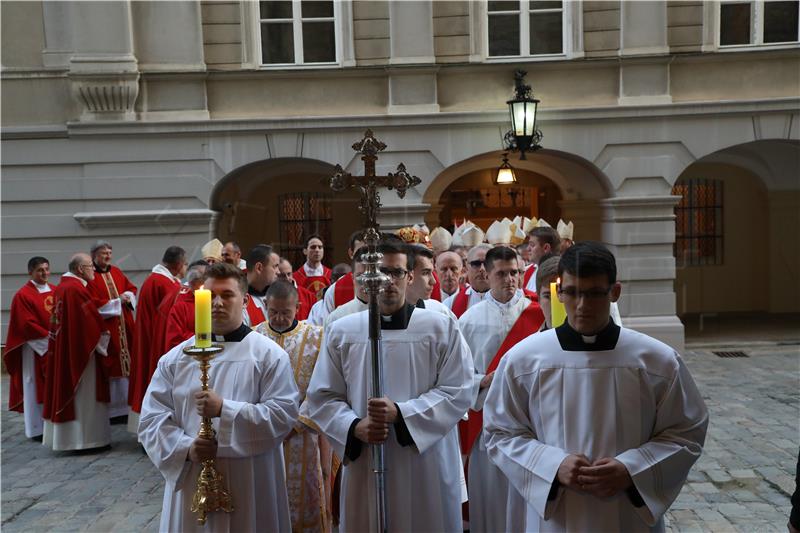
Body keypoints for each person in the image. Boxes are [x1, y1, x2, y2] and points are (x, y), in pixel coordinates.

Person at [483, 242, 709, 532]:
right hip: (558, 517)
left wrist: (632, 469)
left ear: (615, 292)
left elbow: (687, 432)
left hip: (627, 514)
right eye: (572, 292)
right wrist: (552, 466)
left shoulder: (656, 360)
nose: (581, 305)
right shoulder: (523, 360)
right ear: (559, 291)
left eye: (593, 294)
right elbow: (500, 432)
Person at [305, 240, 474, 532]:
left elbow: (458, 390)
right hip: (366, 458)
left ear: (410, 276)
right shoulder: (342, 331)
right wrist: (353, 427)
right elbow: (322, 396)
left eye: (396, 272)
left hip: (426, 462)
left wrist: (403, 413)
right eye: (380, 272)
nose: (387, 281)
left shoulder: (441, 327)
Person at [140, 262, 300, 532]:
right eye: (210, 296)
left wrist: (225, 410)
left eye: (227, 295)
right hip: (193, 474)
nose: (217, 303)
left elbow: (282, 415)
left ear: (245, 300)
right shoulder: (175, 360)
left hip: (249, 478)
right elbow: (152, 420)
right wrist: (185, 448)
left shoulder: (268, 356)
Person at [457, 246, 544, 533]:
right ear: (487, 274)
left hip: (533, 419)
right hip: (489, 421)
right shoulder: (469, 320)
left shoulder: (539, 314)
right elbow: (456, 375)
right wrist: (481, 382)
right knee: (492, 497)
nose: (510, 280)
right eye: (502, 274)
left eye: (515, 273)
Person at [254, 281, 332, 533]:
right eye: (273, 311)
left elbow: (322, 388)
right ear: (266, 305)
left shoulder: (316, 337)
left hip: (302, 437)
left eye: (285, 313)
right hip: (263, 434)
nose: (278, 318)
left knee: (305, 497)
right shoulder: (254, 337)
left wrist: (293, 424)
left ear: (297, 307)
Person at [42, 253, 112, 451]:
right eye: (91, 266)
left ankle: (71, 440)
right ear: (80, 269)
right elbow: (89, 324)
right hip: (82, 354)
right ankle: (85, 440)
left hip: (68, 349)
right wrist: (104, 335)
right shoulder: (75, 290)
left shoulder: (64, 287)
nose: (94, 270)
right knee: (84, 395)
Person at [128, 246, 186, 433]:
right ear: (178, 265)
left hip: (148, 340)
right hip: (156, 343)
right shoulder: (165, 284)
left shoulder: (155, 279)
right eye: (184, 264)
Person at [4, 256, 55, 439]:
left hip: (52, 345)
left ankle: (52, 424)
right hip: (34, 348)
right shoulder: (23, 295)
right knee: (34, 386)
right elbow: (25, 323)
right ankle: (36, 429)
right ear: (31, 272)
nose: (44, 273)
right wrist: (49, 339)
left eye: (47, 269)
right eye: (40, 270)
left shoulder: (55, 290)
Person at [86, 240, 137, 420]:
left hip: (124, 325)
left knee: (127, 365)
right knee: (112, 365)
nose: (107, 256)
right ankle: (113, 411)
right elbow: (92, 304)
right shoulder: (90, 277)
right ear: (94, 256)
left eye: (109, 252)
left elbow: (131, 288)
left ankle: (126, 408)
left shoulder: (116, 271)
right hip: (107, 328)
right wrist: (117, 302)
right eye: (103, 253)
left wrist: (127, 296)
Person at [307, 231, 366, 325]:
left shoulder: (390, 284)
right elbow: (326, 329)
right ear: (351, 253)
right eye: (362, 252)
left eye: (373, 252)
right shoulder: (334, 291)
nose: (368, 258)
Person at [164, 261, 209, 351]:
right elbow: (175, 339)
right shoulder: (180, 305)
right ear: (193, 282)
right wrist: (206, 339)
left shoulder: (217, 300)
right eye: (206, 277)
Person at [404, 244, 455, 317]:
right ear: (408, 275)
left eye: (432, 272)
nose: (433, 281)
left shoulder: (440, 312)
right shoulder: (384, 313)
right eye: (425, 273)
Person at [443, 243, 492, 318]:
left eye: (487, 263)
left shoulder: (508, 302)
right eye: (476, 264)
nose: (482, 269)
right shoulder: (450, 304)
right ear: (466, 267)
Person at [244, 245, 278, 327]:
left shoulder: (276, 294)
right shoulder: (241, 302)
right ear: (259, 268)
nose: (278, 271)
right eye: (274, 266)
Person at [522, 226, 561, 293]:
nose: (527, 249)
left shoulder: (561, 272)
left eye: (532, 245)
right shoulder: (526, 271)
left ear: (546, 248)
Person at [277, 257, 317, 321]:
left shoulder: (309, 296)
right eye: (282, 276)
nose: (287, 278)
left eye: (289, 274)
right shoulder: (269, 296)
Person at [294, 235, 331, 300]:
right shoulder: (295, 277)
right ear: (305, 251)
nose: (317, 250)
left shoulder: (330, 274)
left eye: (320, 247)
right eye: (313, 247)